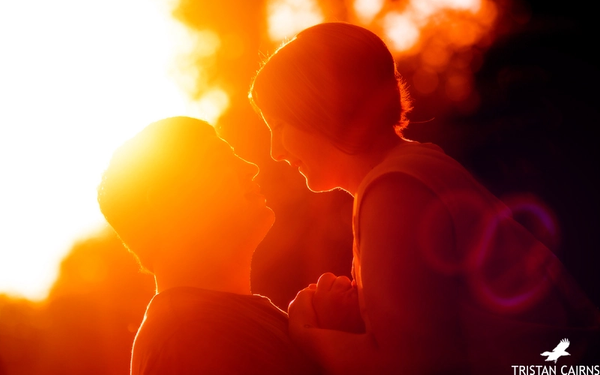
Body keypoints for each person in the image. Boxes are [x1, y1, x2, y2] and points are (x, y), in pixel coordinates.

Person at [249, 22, 600, 374]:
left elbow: (410, 365)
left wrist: (304, 334)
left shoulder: (396, 189)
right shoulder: (410, 171)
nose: (275, 152)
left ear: (318, 106)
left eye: (279, 126)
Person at [97, 116, 320, 375]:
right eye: (218, 160)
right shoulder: (187, 340)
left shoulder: (223, 321)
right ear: (167, 200)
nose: (251, 168)